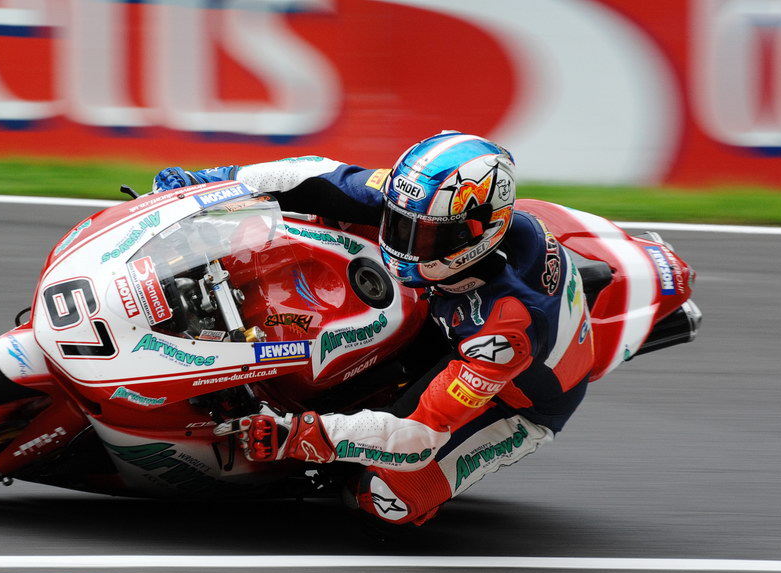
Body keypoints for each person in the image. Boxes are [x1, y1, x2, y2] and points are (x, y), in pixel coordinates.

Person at [153, 132, 594, 526]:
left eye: (423, 236)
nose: (403, 244)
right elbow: (314, 174)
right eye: (400, 225)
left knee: (384, 497)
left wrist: (299, 435)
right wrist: (207, 183)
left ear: (475, 234)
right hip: (445, 308)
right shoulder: (426, 204)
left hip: (510, 397)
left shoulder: (506, 328)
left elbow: (419, 436)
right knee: (331, 213)